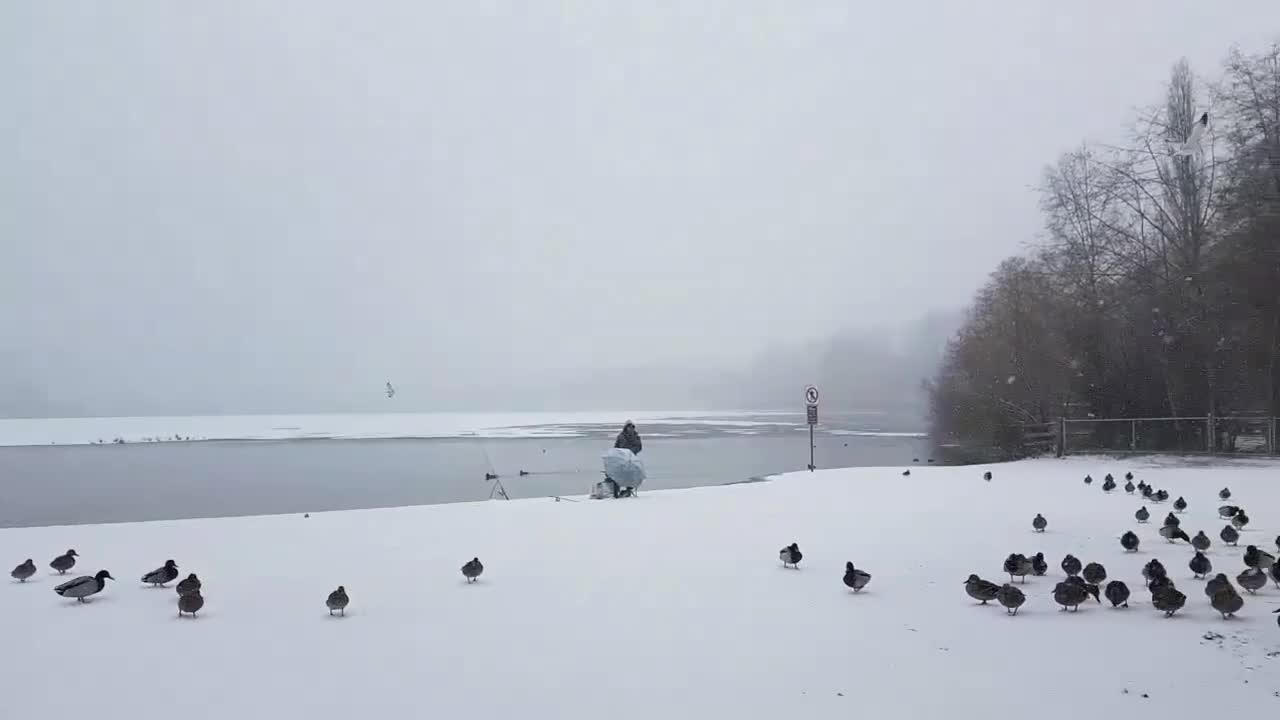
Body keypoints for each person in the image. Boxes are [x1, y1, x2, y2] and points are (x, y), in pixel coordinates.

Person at [602, 421, 643, 498]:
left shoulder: (636, 437)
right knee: (617, 475)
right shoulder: (621, 436)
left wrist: (630, 452)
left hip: (631, 459)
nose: (630, 429)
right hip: (620, 459)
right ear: (626, 427)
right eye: (629, 427)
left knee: (631, 475)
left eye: (632, 427)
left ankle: (628, 490)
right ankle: (615, 491)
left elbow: (639, 447)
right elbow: (616, 447)